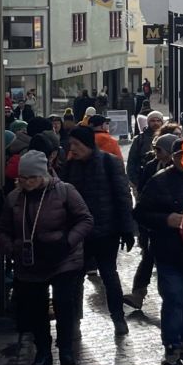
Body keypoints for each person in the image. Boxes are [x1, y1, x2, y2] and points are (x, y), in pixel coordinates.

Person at [0, 151, 93, 365]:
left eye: (32, 178)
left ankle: (66, 349)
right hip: (29, 263)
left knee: (64, 302)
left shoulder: (64, 191)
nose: (27, 182)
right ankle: (43, 351)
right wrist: (12, 249)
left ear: (43, 174)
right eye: (23, 178)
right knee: (36, 308)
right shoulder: (14, 198)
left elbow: (85, 219)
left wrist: (68, 241)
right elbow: (2, 229)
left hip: (63, 258)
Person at [134, 138, 183, 365]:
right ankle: (172, 344)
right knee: (174, 297)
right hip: (169, 251)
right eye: (180, 155)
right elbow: (140, 213)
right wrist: (166, 219)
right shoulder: (159, 181)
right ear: (173, 157)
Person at [59, 126, 135, 336]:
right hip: (78, 234)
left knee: (109, 275)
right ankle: (75, 322)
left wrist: (127, 229)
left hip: (106, 231)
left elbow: (122, 196)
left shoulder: (110, 162)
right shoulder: (70, 165)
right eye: (70, 144)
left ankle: (118, 318)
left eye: (76, 144)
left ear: (87, 144)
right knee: (76, 278)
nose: (72, 148)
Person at [123, 133, 180, 310]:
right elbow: (142, 189)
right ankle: (138, 294)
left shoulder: (178, 169)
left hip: (172, 226)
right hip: (152, 222)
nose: (156, 152)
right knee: (147, 256)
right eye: (155, 149)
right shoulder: (151, 166)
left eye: (159, 150)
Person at [127, 110, 165, 187]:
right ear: (148, 122)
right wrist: (135, 181)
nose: (156, 123)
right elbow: (132, 161)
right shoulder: (139, 139)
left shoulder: (167, 138)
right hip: (143, 180)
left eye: (158, 121)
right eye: (152, 121)